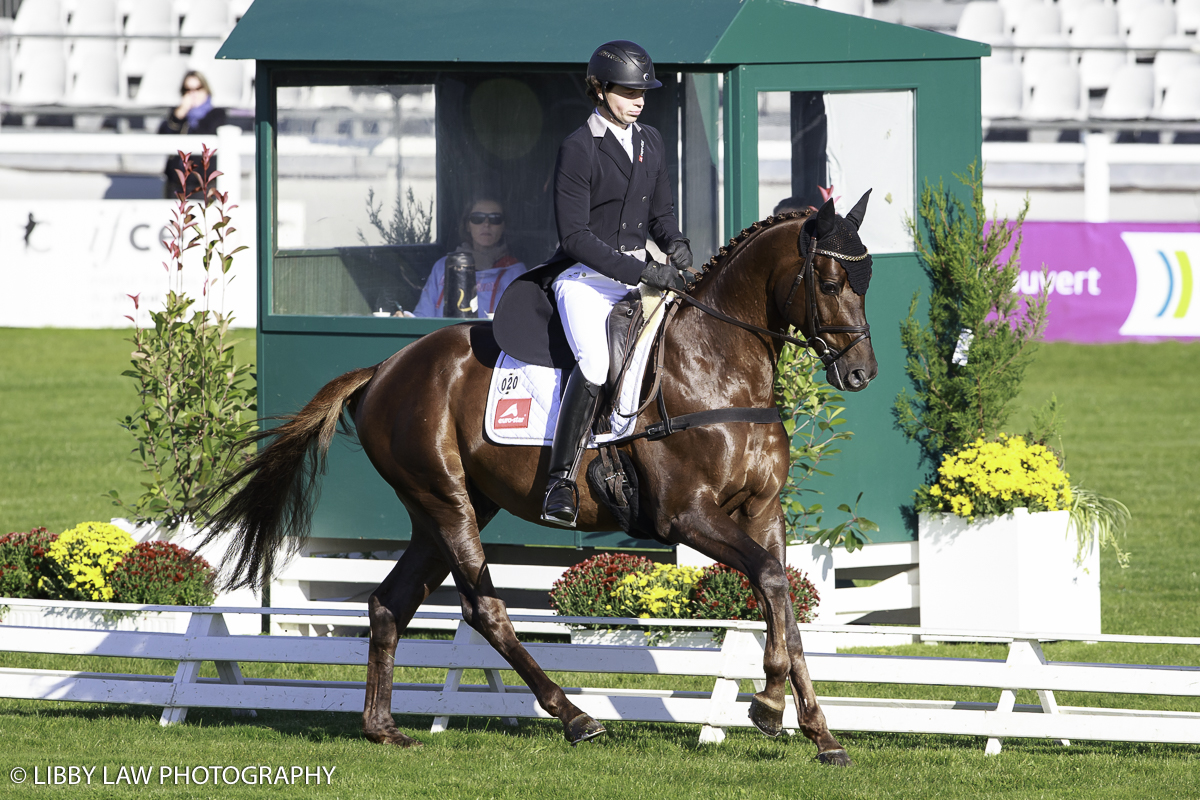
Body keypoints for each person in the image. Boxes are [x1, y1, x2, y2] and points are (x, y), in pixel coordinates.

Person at [492, 40, 692, 528]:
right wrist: (645, 270)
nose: (639, 99)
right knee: (597, 363)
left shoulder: (651, 141)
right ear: (600, 90)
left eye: (643, 90)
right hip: (584, 278)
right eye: (628, 90)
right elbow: (575, 236)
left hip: (638, 276)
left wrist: (678, 244)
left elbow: (661, 214)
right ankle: (560, 482)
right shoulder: (579, 147)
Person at [413, 198, 527, 318]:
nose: (486, 224)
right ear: (467, 225)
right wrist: (405, 318)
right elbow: (423, 316)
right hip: (442, 336)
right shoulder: (443, 267)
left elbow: (520, 322)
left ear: (504, 226)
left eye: (495, 219)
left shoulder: (515, 273)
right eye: (477, 218)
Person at [157, 71, 226, 198]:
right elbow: (163, 137)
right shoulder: (178, 115)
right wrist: (179, 115)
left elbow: (204, 135)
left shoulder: (217, 114)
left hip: (203, 185)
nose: (193, 93)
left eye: (197, 88)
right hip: (176, 184)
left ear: (206, 89)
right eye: (187, 89)